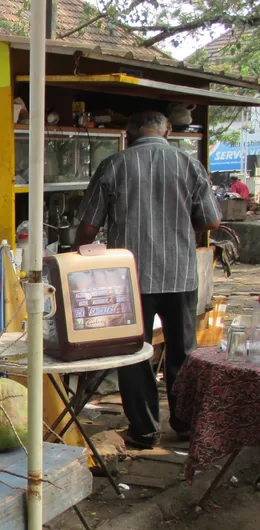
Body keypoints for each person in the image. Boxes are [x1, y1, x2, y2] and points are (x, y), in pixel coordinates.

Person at [75, 110, 222, 449]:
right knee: (183, 351)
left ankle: (143, 430)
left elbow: (88, 227)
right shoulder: (189, 165)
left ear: (129, 134)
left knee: (133, 352)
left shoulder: (114, 165)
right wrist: (178, 226)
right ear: (167, 130)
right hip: (179, 273)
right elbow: (212, 222)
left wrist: (76, 258)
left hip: (129, 279)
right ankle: (184, 424)